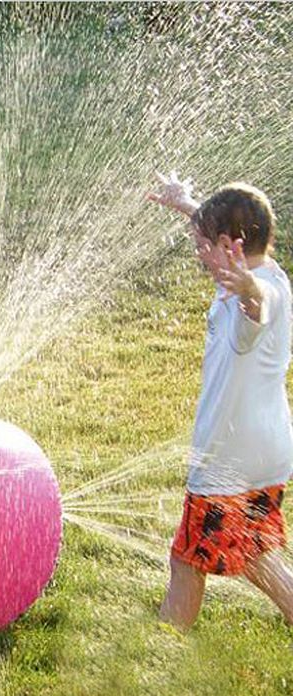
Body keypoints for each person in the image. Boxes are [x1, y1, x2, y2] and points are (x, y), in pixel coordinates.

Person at [148, 172, 293, 630]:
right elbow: (256, 282)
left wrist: (247, 292)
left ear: (231, 246)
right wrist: (189, 205)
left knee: (188, 561)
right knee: (251, 554)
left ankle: (162, 654)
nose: (199, 253)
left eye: (204, 243)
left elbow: (258, 306)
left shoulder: (252, 294)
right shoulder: (273, 273)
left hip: (227, 461)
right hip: (264, 453)